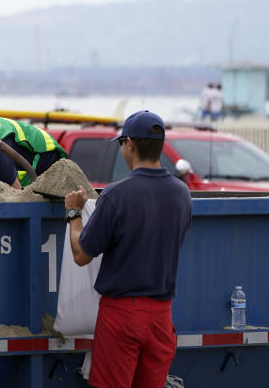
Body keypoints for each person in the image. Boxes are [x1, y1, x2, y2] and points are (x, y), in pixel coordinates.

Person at [64, 110, 192, 388]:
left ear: (130, 144)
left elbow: (81, 255)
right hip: (162, 316)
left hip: (122, 315)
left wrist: (74, 214)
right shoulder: (182, 194)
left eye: (122, 143)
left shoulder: (116, 194)